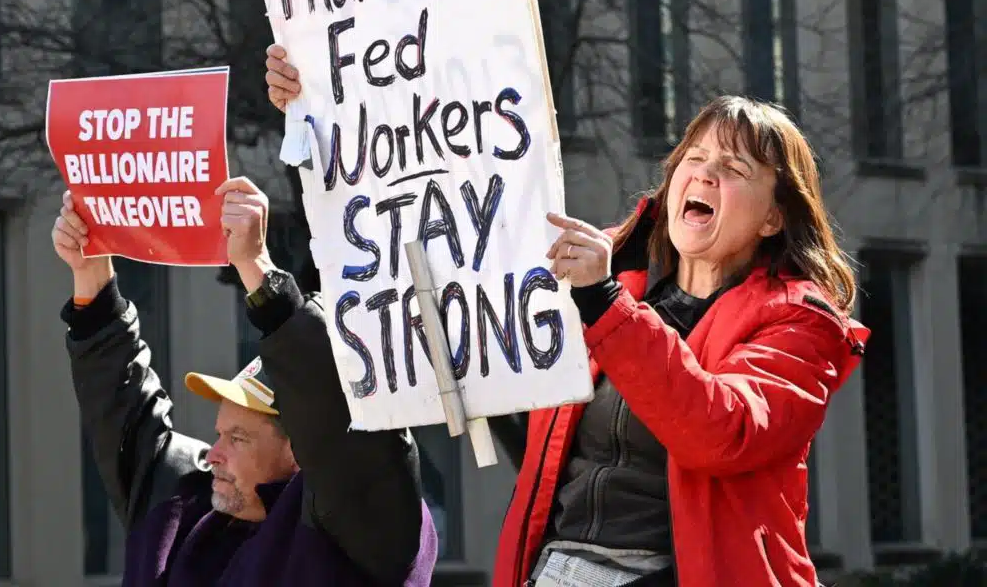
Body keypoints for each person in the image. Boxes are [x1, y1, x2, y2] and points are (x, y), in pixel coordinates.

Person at [264, 49, 869, 586]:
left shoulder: (801, 324)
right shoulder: (606, 281)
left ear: (774, 219)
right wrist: (322, 114)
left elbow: (722, 432)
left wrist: (607, 304)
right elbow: (437, 218)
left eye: (735, 170)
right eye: (696, 157)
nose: (705, 173)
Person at [52, 175, 438, 587]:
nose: (213, 454)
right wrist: (92, 283)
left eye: (238, 438)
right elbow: (124, 417)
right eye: (221, 434)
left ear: (300, 449)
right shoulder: (192, 510)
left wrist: (257, 268)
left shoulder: (363, 523)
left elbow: (340, 427)